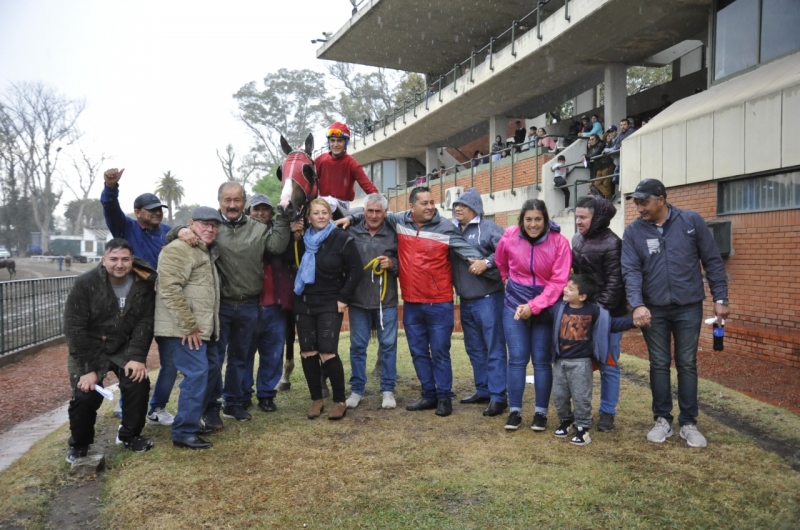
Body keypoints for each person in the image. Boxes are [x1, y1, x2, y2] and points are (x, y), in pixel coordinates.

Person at [338, 187, 499, 417]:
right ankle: (428, 394)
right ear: (411, 207)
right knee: (418, 352)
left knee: (440, 352)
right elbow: (373, 213)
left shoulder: (446, 228)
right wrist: (350, 217)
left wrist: (490, 264)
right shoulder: (399, 222)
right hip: (411, 302)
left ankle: (444, 397)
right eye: (424, 203)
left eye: (432, 202)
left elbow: (470, 253)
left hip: (439, 302)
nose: (430, 206)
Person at [172, 182, 290, 427]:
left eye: (237, 200)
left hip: (248, 305)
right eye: (228, 200)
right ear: (220, 202)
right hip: (220, 306)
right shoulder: (212, 229)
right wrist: (179, 230)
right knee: (214, 359)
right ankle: (211, 407)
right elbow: (176, 234)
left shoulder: (258, 229)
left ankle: (233, 402)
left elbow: (277, 246)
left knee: (240, 357)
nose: (233, 205)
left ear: (244, 203)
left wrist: (283, 218)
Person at [622, 179, 729, 448]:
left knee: (686, 362)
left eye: (643, 202)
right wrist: (637, 304)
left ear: (661, 199)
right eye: (635, 202)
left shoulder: (691, 221)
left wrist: (721, 297)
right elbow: (631, 271)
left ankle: (689, 423)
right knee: (658, 363)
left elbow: (713, 260)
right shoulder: (633, 231)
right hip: (653, 308)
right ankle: (662, 420)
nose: (639, 208)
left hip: (688, 305)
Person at [63, 238, 156, 462]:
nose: (119, 264)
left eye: (125, 259)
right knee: (85, 394)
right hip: (90, 347)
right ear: (104, 259)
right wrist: (88, 368)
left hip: (123, 345)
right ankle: (80, 444)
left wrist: (136, 357)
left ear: (132, 260)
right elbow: (74, 327)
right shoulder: (86, 283)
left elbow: (145, 321)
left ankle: (131, 435)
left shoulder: (143, 283)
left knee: (137, 382)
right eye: (113, 259)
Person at [100, 167, 175, 427]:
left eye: (160, 209)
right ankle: (125, 407)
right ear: (138, 212)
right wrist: (111, 188)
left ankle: (157, 408)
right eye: (151, 209)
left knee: (171, 361)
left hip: (165, 305)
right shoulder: (125, 227)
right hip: (134, 306)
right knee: (131, 358)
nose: (157, 212)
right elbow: (110, 209)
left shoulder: (169, 231)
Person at [495, 199, 571, 432]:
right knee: (517, 358)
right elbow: (500, 259)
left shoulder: (560, 243)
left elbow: (559, 281)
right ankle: (515, 411)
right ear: (521, 220)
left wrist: (535, 306)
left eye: (538, 219)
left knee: (541, 360)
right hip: (514, 306)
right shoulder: (510, 235)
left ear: (546, 220)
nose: (533, 224)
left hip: (545, 309)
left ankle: (541, 413)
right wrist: (505, 277)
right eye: (528, 219)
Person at [155, 207, 222, 450]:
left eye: (215, 225)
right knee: (196, 375)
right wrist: (189, 327)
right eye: (205, 223)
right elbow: (170, 289)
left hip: (203, 330)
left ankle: (193, 421)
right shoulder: (179, 249)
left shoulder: (203, 252)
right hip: (183, 331)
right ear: (191, 224)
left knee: (211, 370)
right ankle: (184, 431)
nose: (210, 228)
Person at [295, 198, 363, 420]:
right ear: (309, 217)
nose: (321, 216)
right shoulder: (301, 240)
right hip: (305, 301)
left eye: (325, 212)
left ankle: (339, 400)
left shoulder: (341, 238)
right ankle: (316, 399)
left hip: (330, 302)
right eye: (316, 213)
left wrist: (344, 297)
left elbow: (356, 270)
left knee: (327, 352)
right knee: (307, 352)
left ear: (330, 214)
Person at [549, 275, 636, 446]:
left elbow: (611, 324)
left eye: (571, 288)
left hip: (581, 363)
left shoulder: (594, 311)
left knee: (581, 396)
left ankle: (583, 428)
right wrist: (526, 311)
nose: (565, 289)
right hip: (560, 362)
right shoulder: (558, 308)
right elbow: (541, 314)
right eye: (566, 286)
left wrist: (632, 322)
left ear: (582, 296)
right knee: (560, 395)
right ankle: (566, 422)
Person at [571, 196, 627, 432]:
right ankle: (582, 411)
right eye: (576, 216)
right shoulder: (577, 240)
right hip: (585, 311)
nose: (578, 221)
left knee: (609, 364)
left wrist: (596, 312)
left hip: (609, 314)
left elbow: (615, 284)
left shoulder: (613, 243)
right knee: (582, 365)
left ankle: (607, 413)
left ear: (598, 218)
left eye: (583, 217)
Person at [450, 188, 507, 417]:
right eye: (456, 206)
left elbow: (507, 251)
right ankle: (483, 389)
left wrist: (487, 262)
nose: (458, 209)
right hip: (466, 300)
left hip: (489, 298)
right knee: (474, 348)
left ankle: (498, 396)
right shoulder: (452, 230)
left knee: (494, 347)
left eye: (463, 205)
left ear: (475, 207)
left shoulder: (490, 228)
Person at [344, 194, 399, 410]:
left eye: (378, 211)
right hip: (358, 300)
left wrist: (392, 263)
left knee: (388, 346)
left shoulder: (394, 234)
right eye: (370, 211)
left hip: (386, 301)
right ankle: (357, 390)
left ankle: (388, 390)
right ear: (363, 212)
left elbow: (405, 263)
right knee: (357, 346)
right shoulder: (351, 231)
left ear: (385, 213)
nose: (374, 215)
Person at [243, 194, 286, 413]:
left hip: (274, 304)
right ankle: (243, 394)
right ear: (248, 212)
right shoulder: (240, 232)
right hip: (247, 303)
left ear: (271, 212)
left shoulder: (280, 232)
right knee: (244, 352)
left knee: (273, 353)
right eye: (255, 209)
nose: (260, 213)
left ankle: (267, 394)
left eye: (265, 209)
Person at [315, 121, 378, 215]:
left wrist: (379, 201)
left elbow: (368, 186)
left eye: (339, 141)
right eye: (332, 140)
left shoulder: (352, 163)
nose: (335, 145)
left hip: (342, 205)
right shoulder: (320, 160)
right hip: (321, 202)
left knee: (330, 202)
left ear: (345, 142)